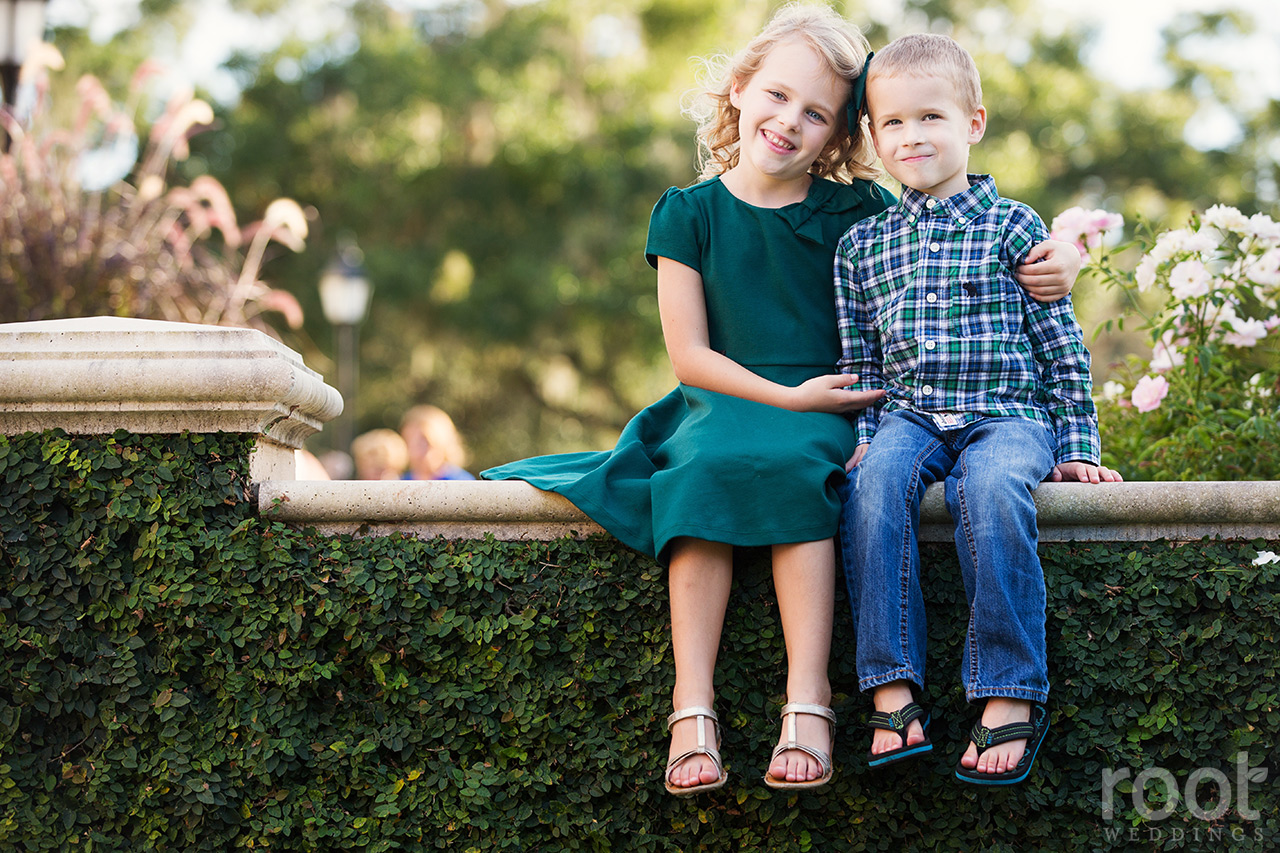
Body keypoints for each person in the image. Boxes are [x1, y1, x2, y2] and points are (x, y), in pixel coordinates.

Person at [483, 4, 1080, 795]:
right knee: (704, 468)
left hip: (834, 399)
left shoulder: (859, 215)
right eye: (776, 96)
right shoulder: (687, 212)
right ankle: (689, 703)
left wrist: (1065, 252)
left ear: (840, 137)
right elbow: (690, 357)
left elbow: (962, 221)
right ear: (739, 88)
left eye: (817, 114)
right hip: (729, 392)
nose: (788, 122)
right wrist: (786, 396)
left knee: (806, 470)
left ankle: (810, 701)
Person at [834, 32, 1122, 787]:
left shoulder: (1015, 227)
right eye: (891, 122)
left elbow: (1061, 345)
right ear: (871, 134)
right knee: (870, 491)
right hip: (909, 415)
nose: (911, 136)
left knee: (989, 489)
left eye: (930, 116)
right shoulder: (862, 248)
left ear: (974, 123)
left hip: (1007, 414)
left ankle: (1008, 692)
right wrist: (866, 437)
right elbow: (861, 363)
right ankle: (892, 689)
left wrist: (1079, 443)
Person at [400, 405, 475, 481]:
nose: (418, 450)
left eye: (426, 442)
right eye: (410, 441)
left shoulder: (461, 481)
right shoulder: (401, 482)